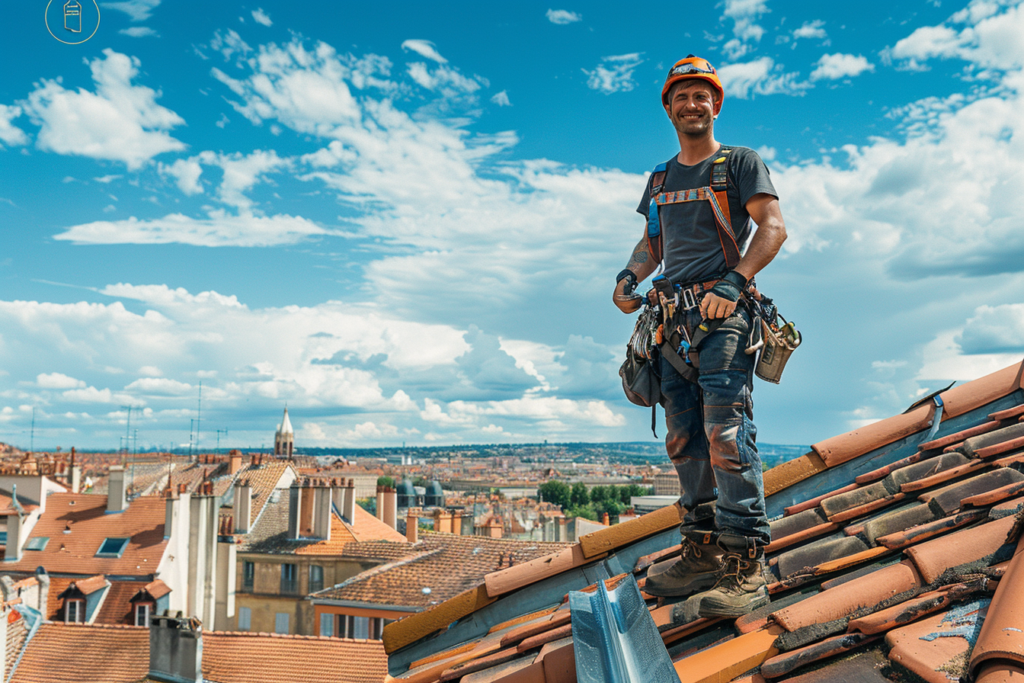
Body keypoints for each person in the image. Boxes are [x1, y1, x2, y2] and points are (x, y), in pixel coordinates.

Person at [612, 55, 787, 616]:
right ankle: (703, 552)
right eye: (682, 96)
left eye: (702, 94)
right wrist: (628, 276)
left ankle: (746, 564)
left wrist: (735, 285)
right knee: (684, 441)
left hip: (722, 319)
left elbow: (773, 227)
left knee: (727, 437)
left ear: (716, 104)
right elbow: (653, 241)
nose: (693, 103)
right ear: (668, 108)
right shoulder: (661, 179)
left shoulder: (739, 164)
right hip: (669, 323)